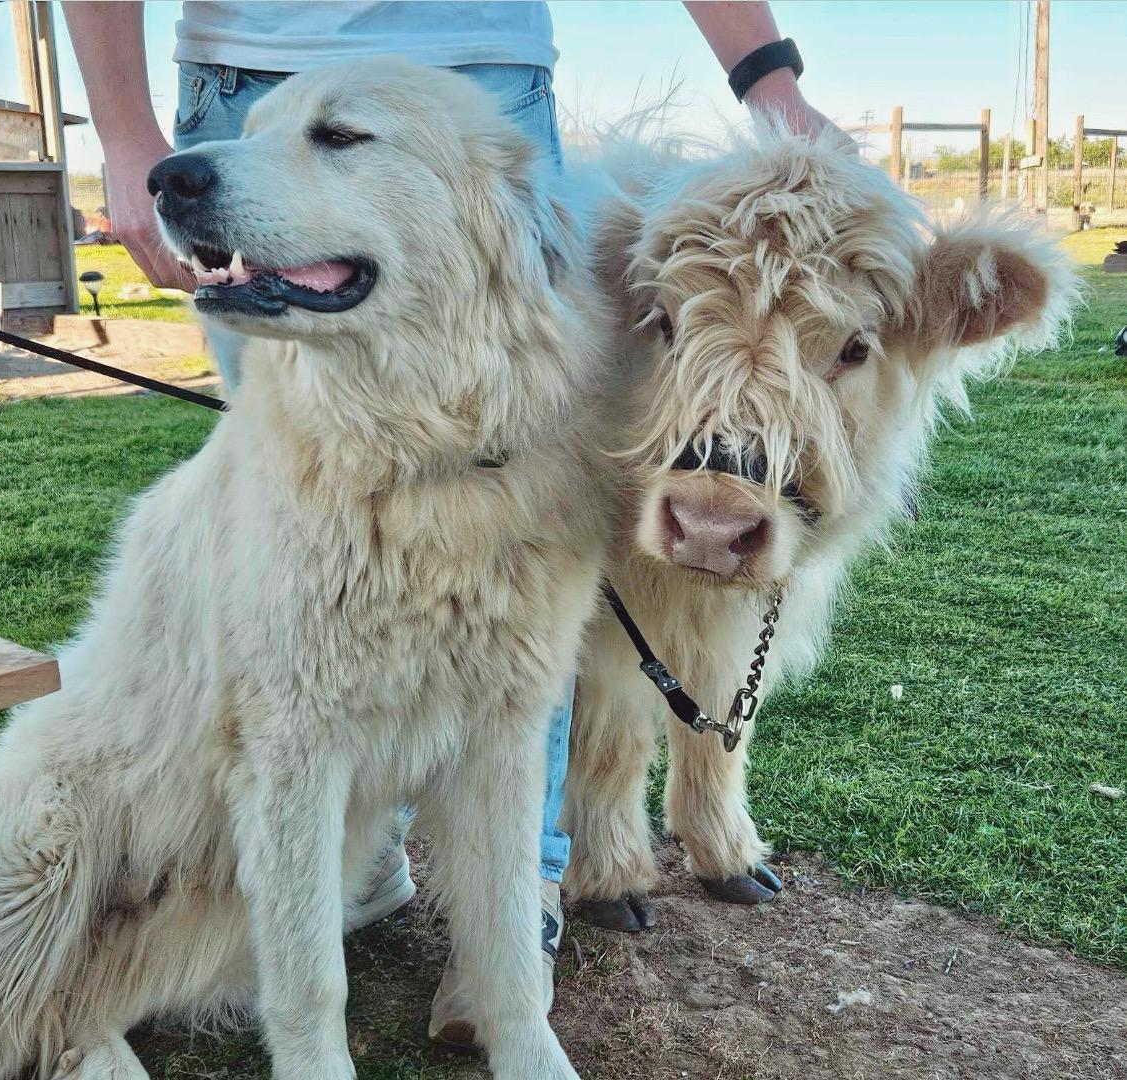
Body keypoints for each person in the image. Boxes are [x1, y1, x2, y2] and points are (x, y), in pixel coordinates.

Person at [63, 0, 830, 1049]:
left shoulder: (504, 201)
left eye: (335, 141)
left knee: (514, 670)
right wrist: (124, 131)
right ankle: (350, 867)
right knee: (302, 666)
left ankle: (515, 935)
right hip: (247, 71)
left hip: (484, 71)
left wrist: (770, 79)